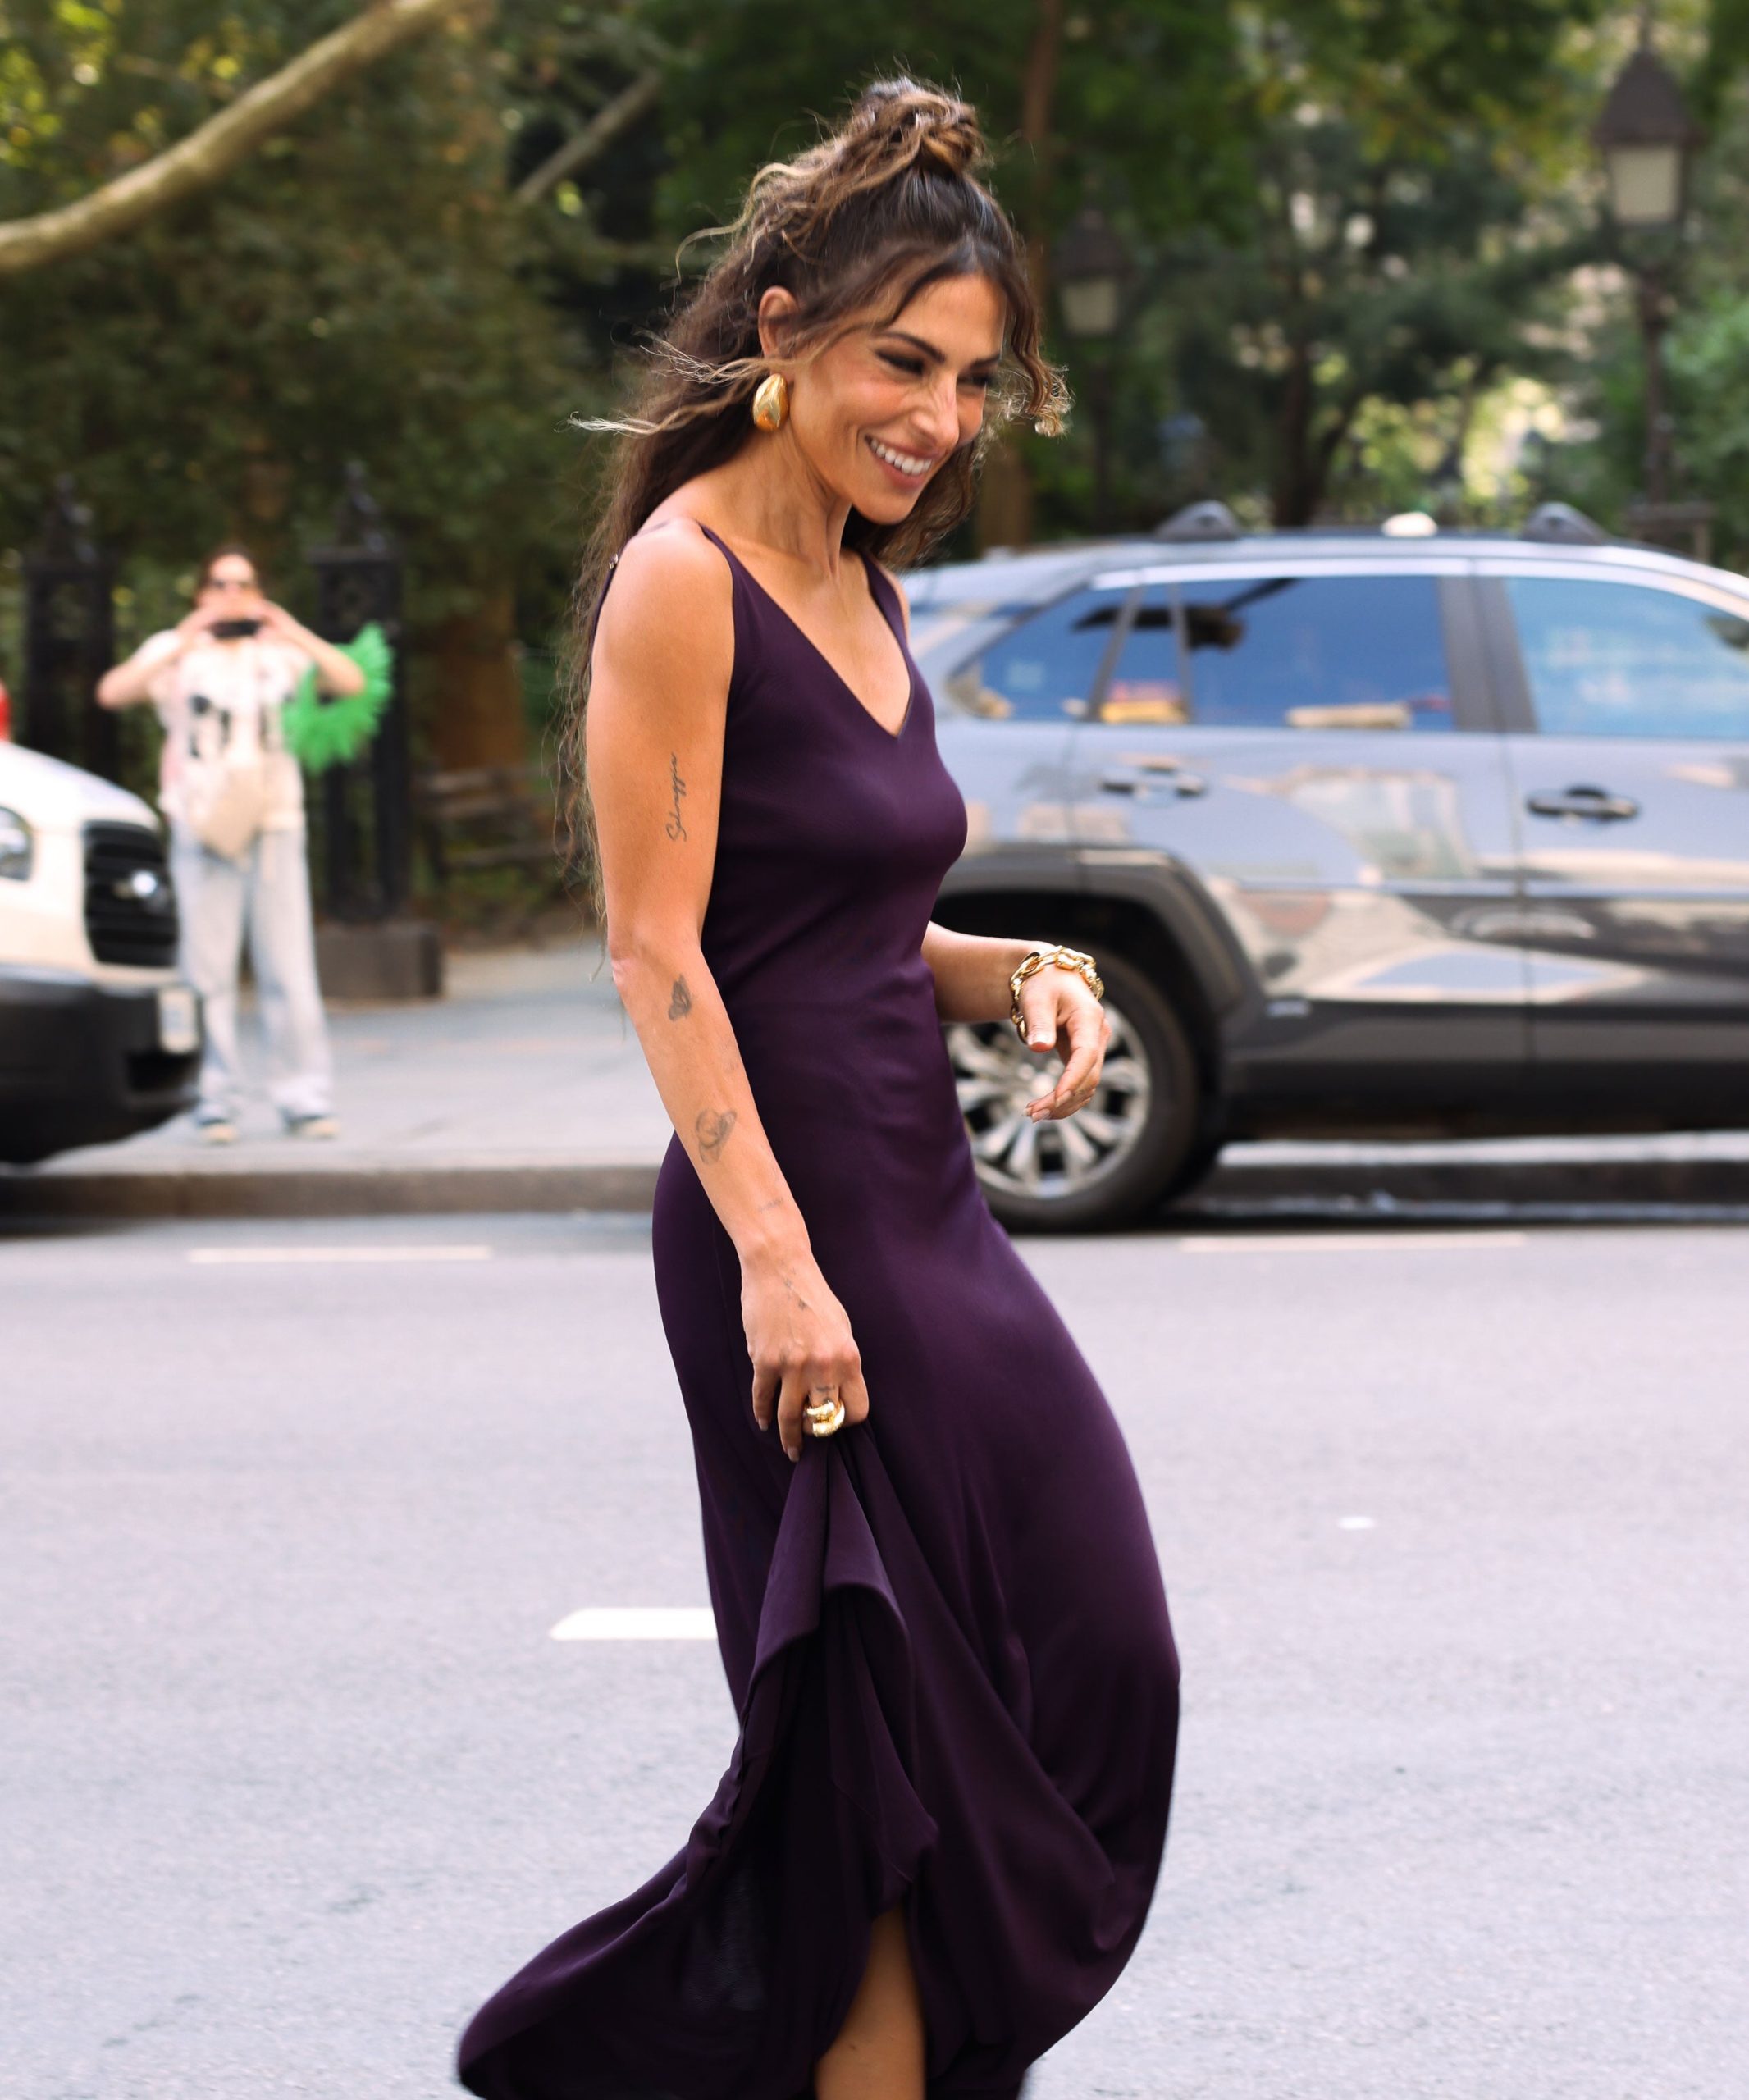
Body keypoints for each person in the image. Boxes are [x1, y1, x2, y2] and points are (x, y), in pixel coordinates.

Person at [457, 80, 1180, 2100]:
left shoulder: (865, 585)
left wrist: (1018, 965)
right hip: (793, 1246)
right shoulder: (685, 580)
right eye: (901, 361)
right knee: (877, 1793)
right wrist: (777, 1263)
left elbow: (845, 921)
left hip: (922, 1217)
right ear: (781, 335)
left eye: (970, 378)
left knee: (1097, 1654)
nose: (938, 416)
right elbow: (659, 947)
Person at [98, 544, 363, 1143]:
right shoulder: (178, 653)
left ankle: (304, 1095)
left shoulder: (279, 655)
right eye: (219, 584)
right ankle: (213, 1098)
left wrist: (291, 630)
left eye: (243, 584)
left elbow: (350, 681)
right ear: (201, 593)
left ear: (259, 593)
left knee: (288, 967)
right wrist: (183, 638)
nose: (231, 595)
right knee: (205, 971)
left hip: (274, 826)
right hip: (203, 826)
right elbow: (112, 693)